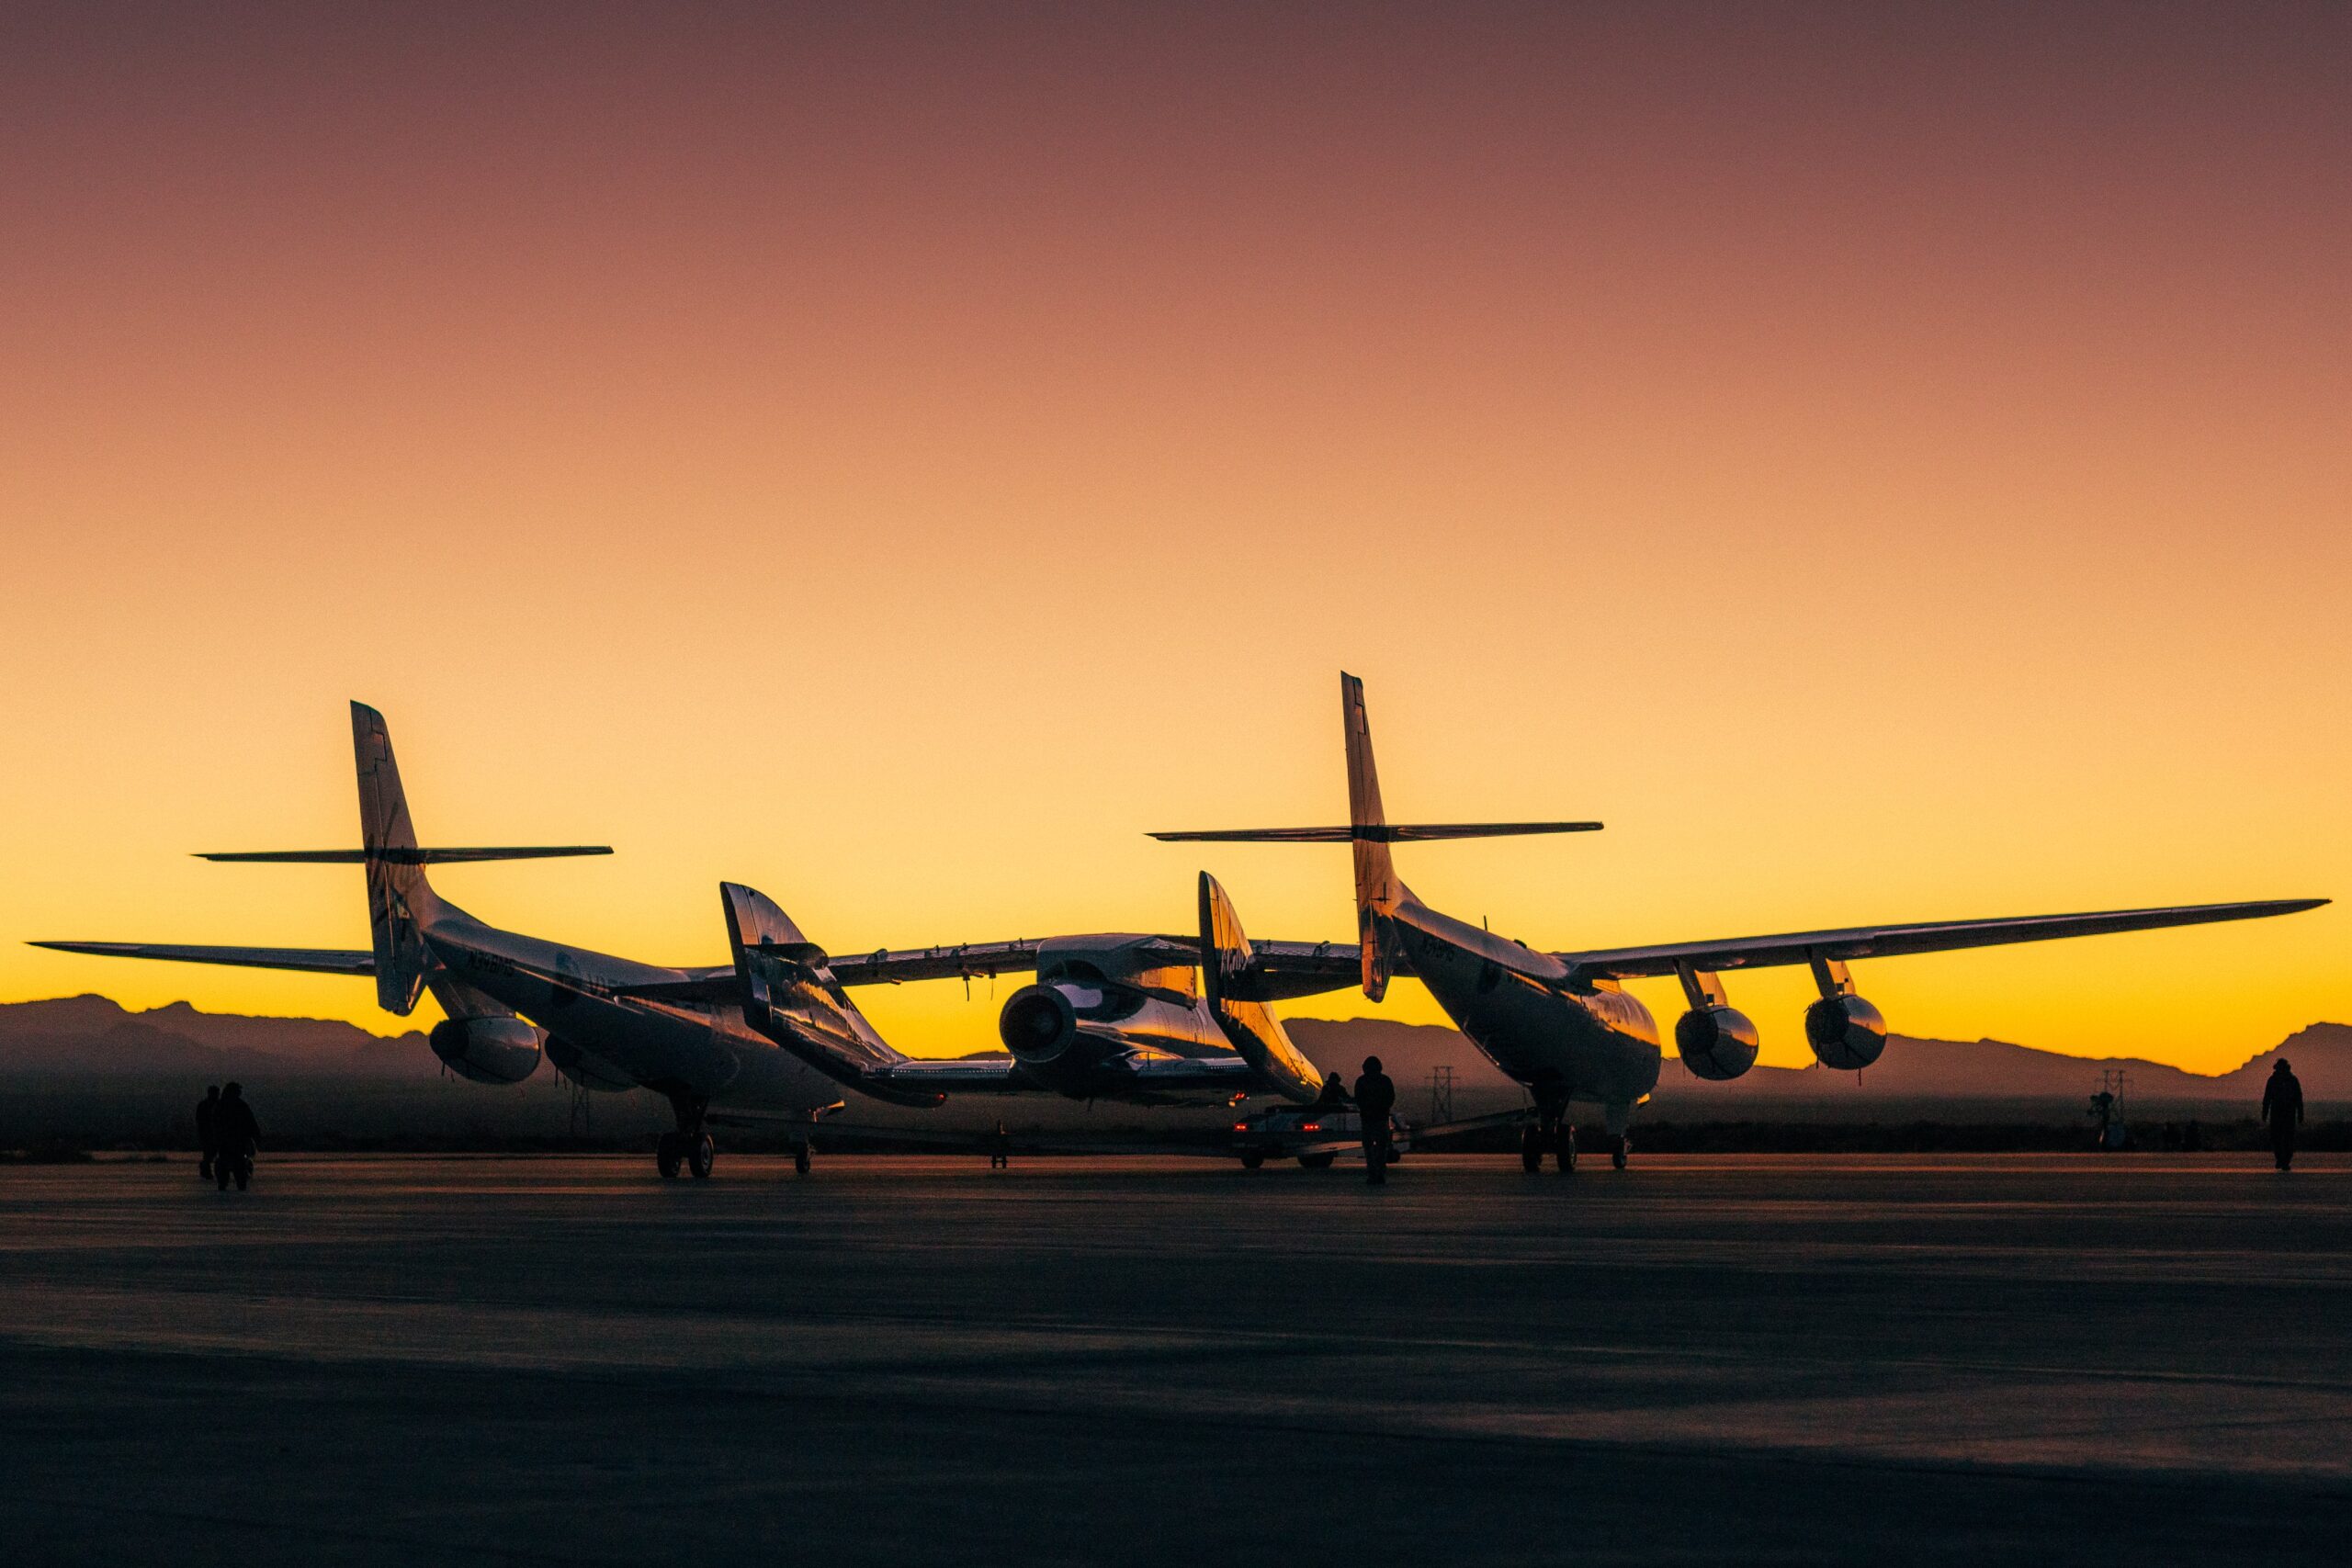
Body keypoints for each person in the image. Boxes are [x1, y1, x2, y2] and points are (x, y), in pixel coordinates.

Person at [1352, 1055, 1396, 1185]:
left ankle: (1372, 1174)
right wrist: (1383, 1108)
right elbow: (1391, 1097)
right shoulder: (1385, 1081)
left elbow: (1358, 1099)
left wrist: (1367, 1109)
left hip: (1367, 1119)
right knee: (1381, 1148)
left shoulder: (1361, 1081)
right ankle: (1380, 1173)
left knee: (1369, 1149)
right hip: (1381, 1119)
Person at [213, 1082, 260, 1191]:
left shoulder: (222, 1105)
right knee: (237, 1163)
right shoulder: (239, 1105)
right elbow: (250, 1121)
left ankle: (225, 1183)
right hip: (236, 1140)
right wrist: (255, 1134)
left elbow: (215, 1122)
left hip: (228, 1140)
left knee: (228, 1162)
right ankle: (237, 1183)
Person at [2262, 1058, 2304, 1172]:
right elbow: (2267, 1097)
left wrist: (2300, 1113)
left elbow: (2298, 1098)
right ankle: (2281, 1159)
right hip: (2278, 1113)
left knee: (2287, 1139)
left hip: (2287, 1113)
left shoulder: (2292, 1081)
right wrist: (2264, 1113)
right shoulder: (2274, 1080)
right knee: (2277, 1138)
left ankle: (2285, 1161)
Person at [195, 1085, 221, 1181]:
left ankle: (207, 1170)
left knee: (211, 1153)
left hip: (215, 1132)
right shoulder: (206, 1105)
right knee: (209, 1153)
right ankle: (207, 1170)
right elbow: (200, 1120)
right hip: (208, 1133)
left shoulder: (217, 1104)